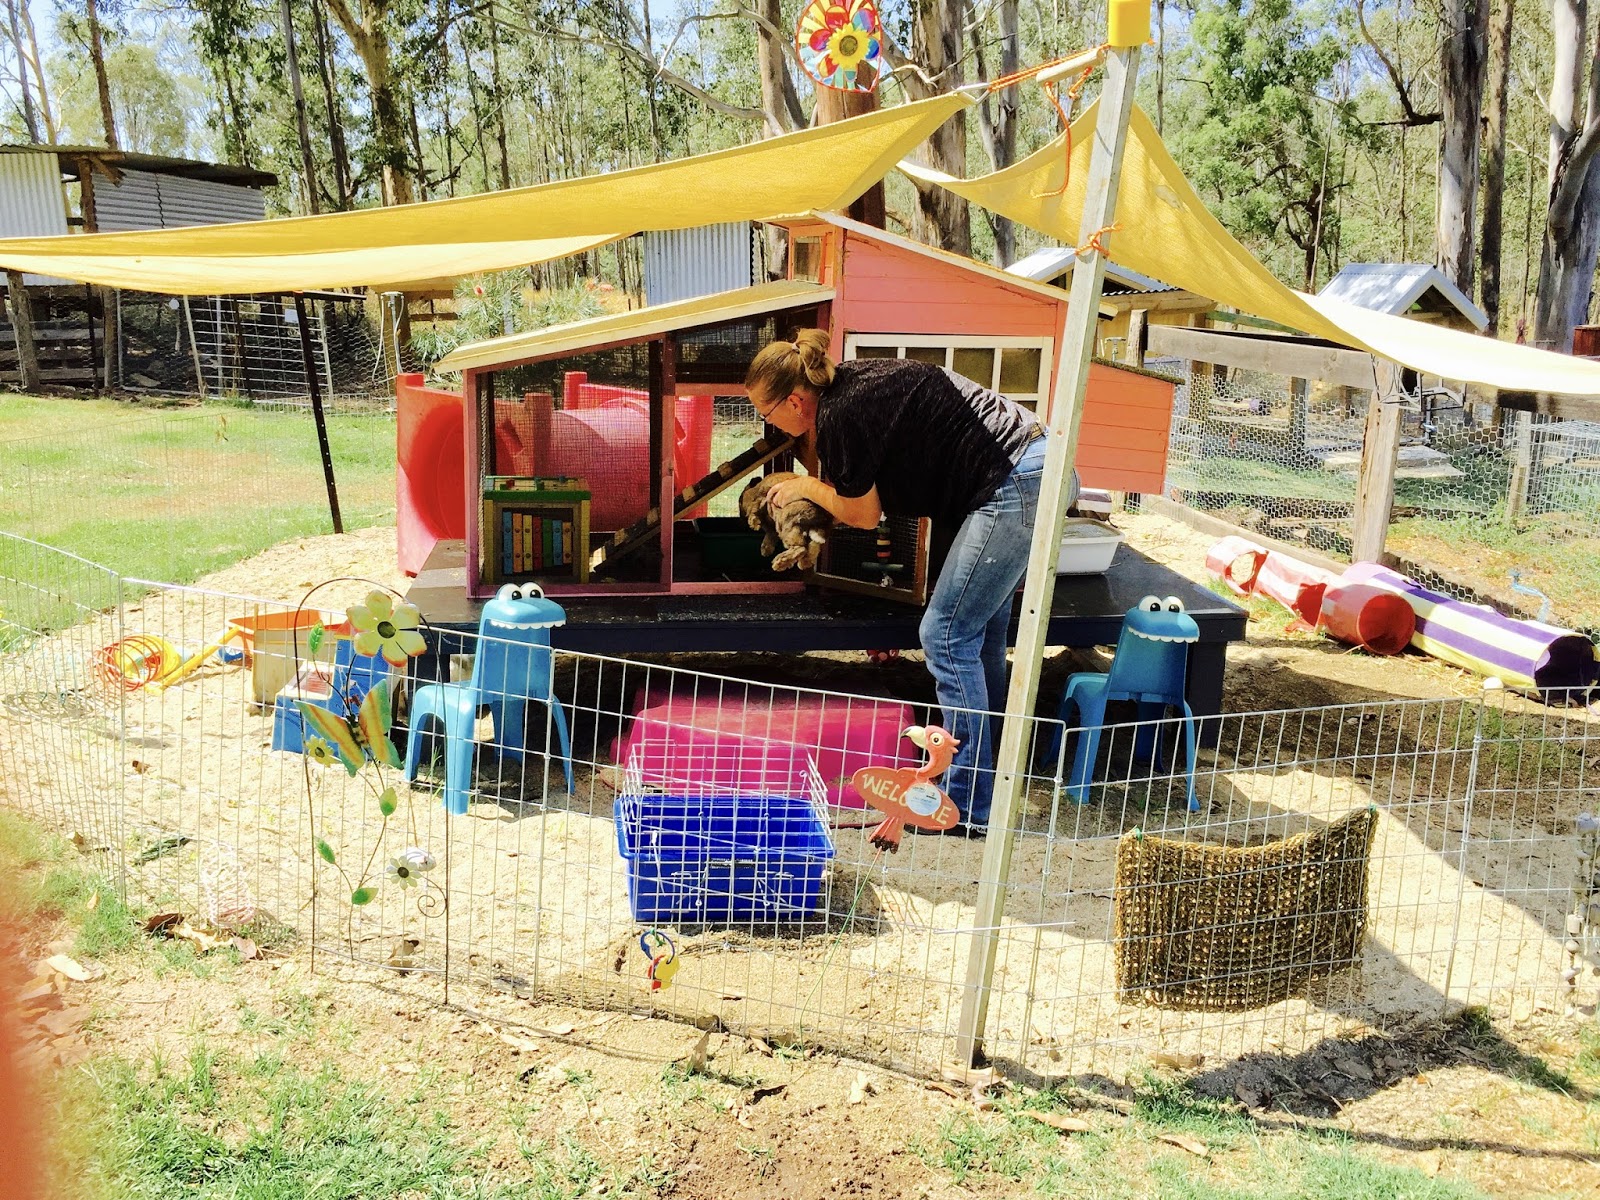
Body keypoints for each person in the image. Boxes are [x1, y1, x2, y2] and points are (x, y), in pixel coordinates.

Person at [745, 329, 1076, 833]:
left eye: (766, 415)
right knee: (978, 637)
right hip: (1034, 466)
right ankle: (983, 791)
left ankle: (964, 806)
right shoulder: (853, 387)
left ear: (794, 400)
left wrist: (805, 485)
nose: (770, 425)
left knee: (944, 634)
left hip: (1018, 479)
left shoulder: (839, 415)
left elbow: (861, 513)